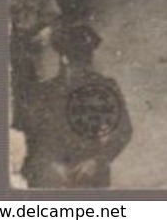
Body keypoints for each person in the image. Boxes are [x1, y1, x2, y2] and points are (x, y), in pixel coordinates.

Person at [21, 22, 132, 189]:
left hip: (91, 176)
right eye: (75, 61)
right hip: (51, 177)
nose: (81, 69)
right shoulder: (45, 91)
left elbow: (123, 129)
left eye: (84, 60)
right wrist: (50, 164)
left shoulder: (105, 86)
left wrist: (97, 161)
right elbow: (33, 134)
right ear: (63, 59)